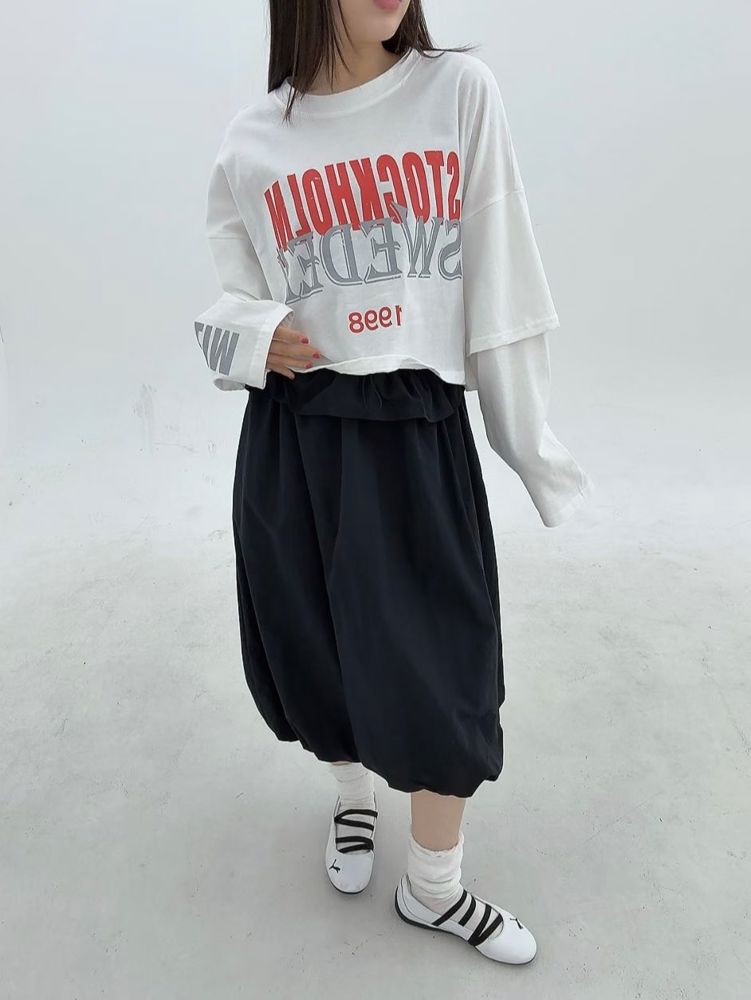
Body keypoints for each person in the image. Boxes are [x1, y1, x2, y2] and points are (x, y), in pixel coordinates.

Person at [193, 0, 595, 966]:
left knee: (444, 665)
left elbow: (504, 276)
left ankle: (434, 888)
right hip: (294, 436)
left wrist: (529, 447)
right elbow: (227, 306)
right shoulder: (253, 138)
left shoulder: (455, 92)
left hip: (414, 428)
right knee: (312, 643)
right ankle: (351, 797)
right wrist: (250, 338)